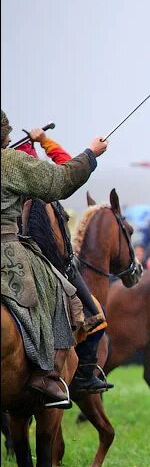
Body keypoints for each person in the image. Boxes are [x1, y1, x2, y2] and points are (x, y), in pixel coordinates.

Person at [1, 109, 108, 406]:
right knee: (63, 293)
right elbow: (60, 181)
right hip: (6, 249)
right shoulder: (9, 162)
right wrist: (91, 153)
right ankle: (46, 374)